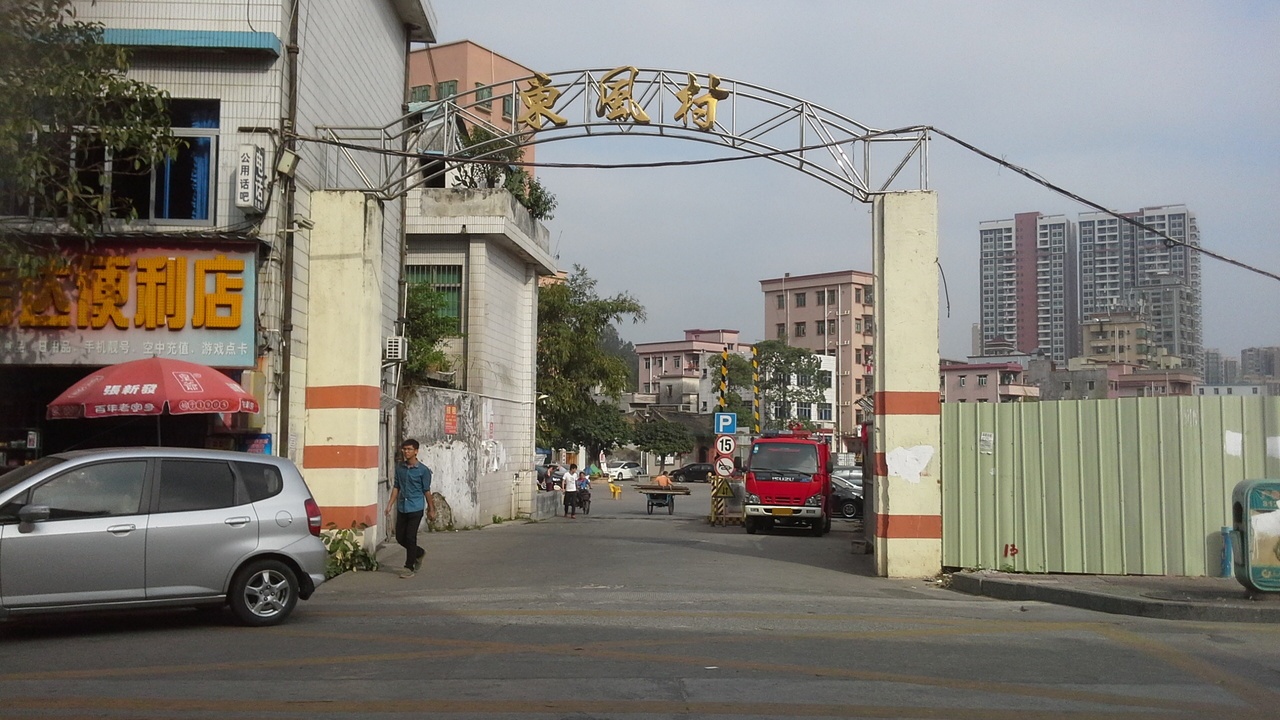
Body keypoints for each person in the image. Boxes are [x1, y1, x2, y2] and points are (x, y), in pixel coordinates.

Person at [386, 438, 436, 578]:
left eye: (409, 449)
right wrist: (390, 504)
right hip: (402, 507)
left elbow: (426, 491)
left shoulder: (423, 471)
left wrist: (431, 509)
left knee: (410, 536)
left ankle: (409, 566)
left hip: (416, 507)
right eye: (404, 449)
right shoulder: (400, 468)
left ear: (416, 451)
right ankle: (419, 553)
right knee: (401, 537)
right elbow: (397, 487)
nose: (406, 452)